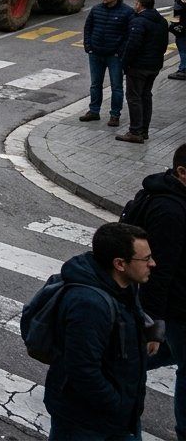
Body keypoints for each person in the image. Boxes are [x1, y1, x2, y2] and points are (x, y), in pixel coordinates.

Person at [43, 221, 153, 441]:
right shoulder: (89, 305)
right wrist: (117, 403)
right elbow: (82, 369)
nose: (153, 263)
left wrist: (153, 332)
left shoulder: (125, 285)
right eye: (146, 259)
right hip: (85, 422)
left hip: (117, 416)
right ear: (120, 264)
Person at [131, 144, 186, 438]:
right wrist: (153, 324)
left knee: (163, 353)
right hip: (177, 306)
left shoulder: (177, 198)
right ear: (182, 172)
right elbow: (158, 272)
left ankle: (114, 363)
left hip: (177, 303)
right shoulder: (170, 211)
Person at [118, 0, 169, 145]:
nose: (134, 5)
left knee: (134, 98)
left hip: (138, 67)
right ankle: (144, 131)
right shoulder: (161, 21)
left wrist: (125, 63)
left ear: (140, 4)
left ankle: (135, 132)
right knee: (146, 97)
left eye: (135, 2)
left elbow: (132, 45)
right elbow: (164, 44)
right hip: (154, 65)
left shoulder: (139, 22)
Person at [82, 0, 133, 128]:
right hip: (96, 54)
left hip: (114, 56)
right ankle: (94, 111)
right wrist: (88, 46)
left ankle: (115, 115)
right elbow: (88, 28)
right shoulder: (96, 9)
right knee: (95, 85)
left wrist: (120, 52)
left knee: (116, 86)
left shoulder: (127, 12)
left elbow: (129, 35)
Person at [171, 0, 186, 80]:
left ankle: (183, 70)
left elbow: (178, 11)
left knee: (183, 48)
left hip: (183, 27)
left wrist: (174, 26)